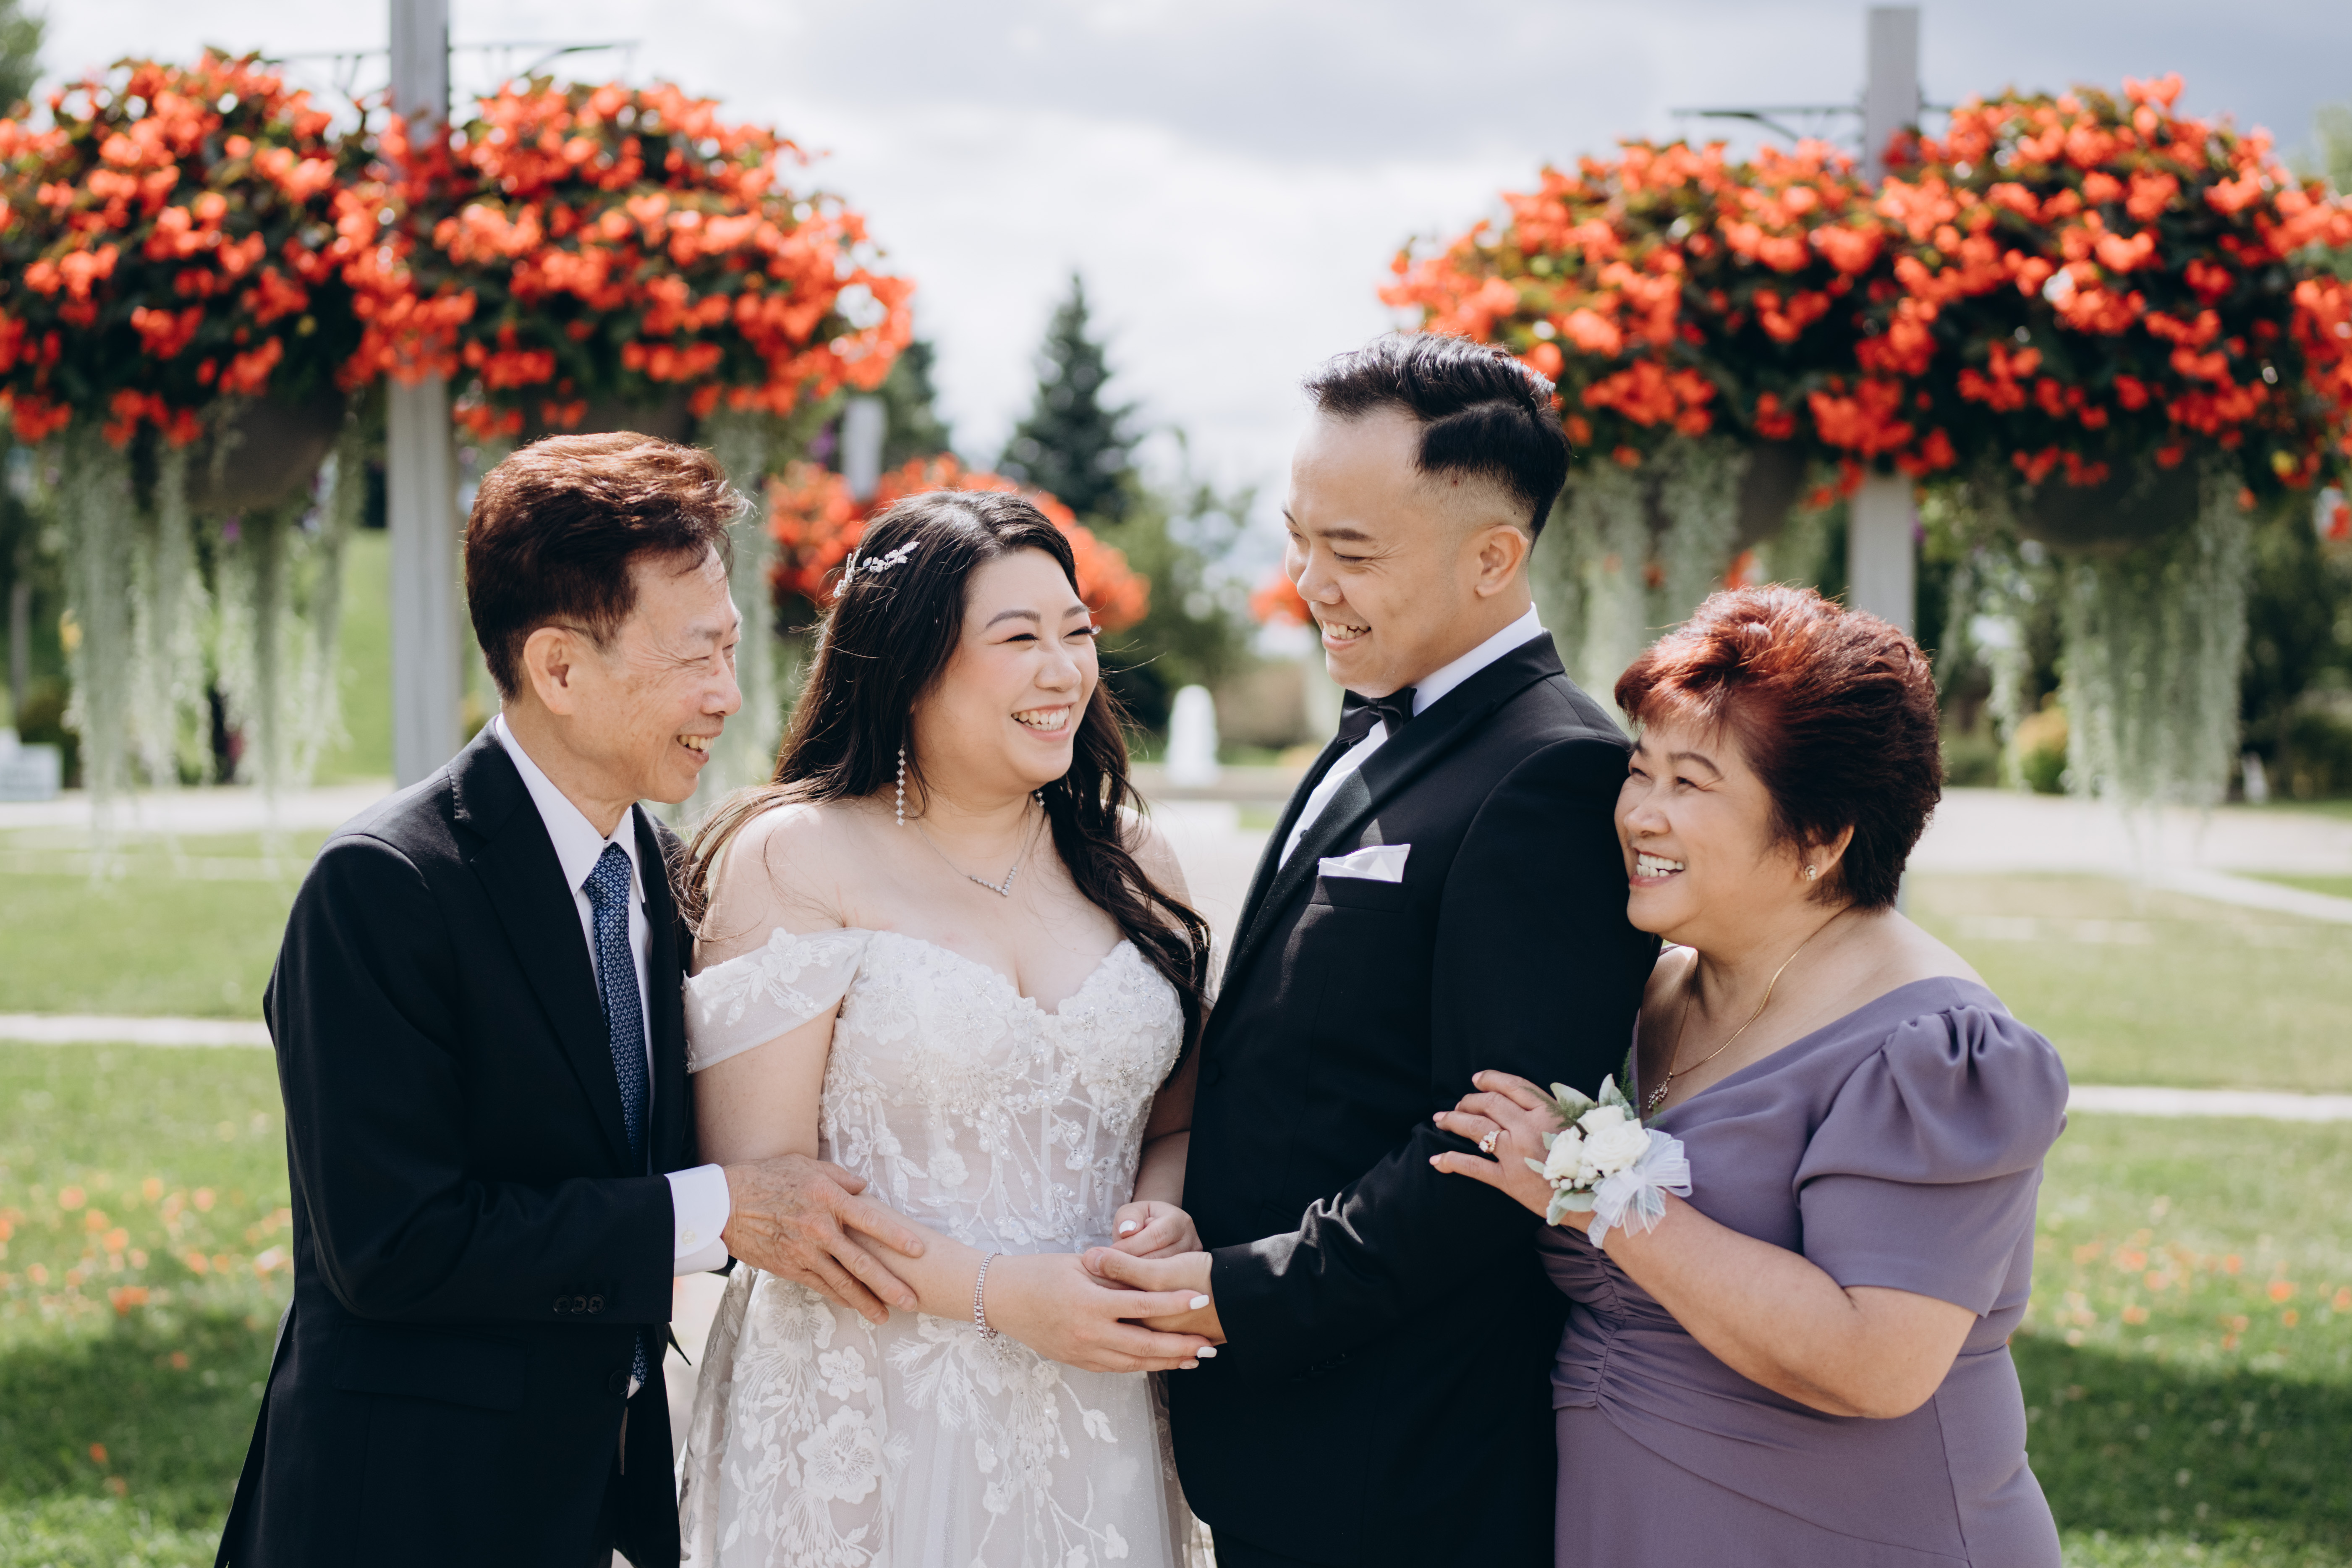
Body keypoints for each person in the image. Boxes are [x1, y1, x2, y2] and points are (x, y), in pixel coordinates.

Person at [218, 434, 942, 1568]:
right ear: (558, 669)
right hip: (400, 1511)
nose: (728, 695)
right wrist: (717, 1210)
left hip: (590, 1507)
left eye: (732, 649)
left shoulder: (665, 874)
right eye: (698, 656)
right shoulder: (382, 888)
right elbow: (395, 1245)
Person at [1085, 334, 1657, 1565]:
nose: (1309, 583)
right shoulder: (1375, 722)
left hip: (1400, 1458)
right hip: (1285, 1430)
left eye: (1351, 552)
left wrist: (1235, 1294)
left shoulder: (1555, 773)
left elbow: (1493, 1151)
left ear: (1493, 558)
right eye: (1299, 539)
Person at [1434, 584, 2068, 1568]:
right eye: (1639, 769)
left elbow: (1876, 1360)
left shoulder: (1934, 1048)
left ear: (1821, 837)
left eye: (1691, 784)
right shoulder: (1644, 990)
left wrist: (1589, 1185)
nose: (1640, 814)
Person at [674, 489, 1222, 1568]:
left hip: (1097, 1397)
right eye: (1018, 639)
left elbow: (1180, 1120)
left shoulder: (1132, 859)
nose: (1063, 671)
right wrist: (1000, 1295)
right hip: (868, 1404)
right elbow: (769, 1196)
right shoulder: (797, 855)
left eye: (1077, 633)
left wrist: (1160, 1220)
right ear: (912, 663)